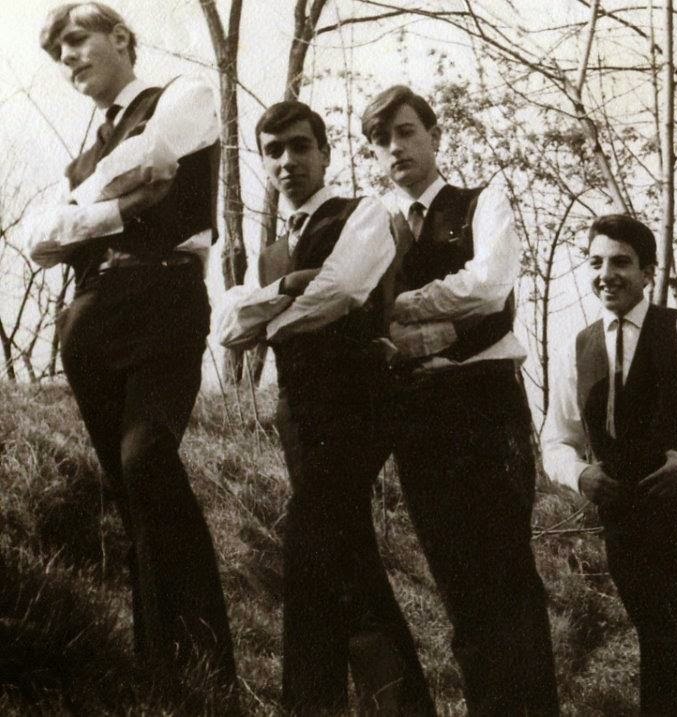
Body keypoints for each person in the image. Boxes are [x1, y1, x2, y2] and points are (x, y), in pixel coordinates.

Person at [30, 2, 235, 683]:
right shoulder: (85, 155)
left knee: (147, 458)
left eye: (77, 40)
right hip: (92, 315)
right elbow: (37, 241)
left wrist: (74, 216)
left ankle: (207, 662)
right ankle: (161, 668)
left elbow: (151, 158)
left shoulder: (183, 95)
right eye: (58, 53)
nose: (68, 58)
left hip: (164, 296)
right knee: (127, 489)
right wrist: (114, 205)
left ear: (120, 37)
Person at [217, 101, 434, 714]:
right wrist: (285, 286)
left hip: (357, 404)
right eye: (274, 151)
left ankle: (309, 705)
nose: (288, 160)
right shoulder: (270, 253)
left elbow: (341, 291)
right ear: (264, 163)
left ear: (325, 153)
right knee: (346, 558)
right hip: (299, 415)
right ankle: (404, 707)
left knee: (309, 544)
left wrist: (268, 320)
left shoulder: (362, 213)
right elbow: (227, 328)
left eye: (300, 146)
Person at [361, 85, 559, 715]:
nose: (395, 148)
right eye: (381, 139)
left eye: (406, 131)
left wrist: (406, 308)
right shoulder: (371, 226)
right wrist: (439, 323)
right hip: (417, 414)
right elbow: (361, 307)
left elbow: (490, 283)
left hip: (485, 405)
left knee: (508, 577)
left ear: (436, 136)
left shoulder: (481, 202)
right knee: (459, 587)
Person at [542, 214, 677, 715]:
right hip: (618, 507)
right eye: (595, 263)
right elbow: (556, 439)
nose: (606, 275)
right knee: (660, 625)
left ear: (647, 272)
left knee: (657, 609)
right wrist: (579, 474)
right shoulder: (577, 348)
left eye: (620, 262)